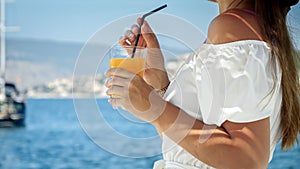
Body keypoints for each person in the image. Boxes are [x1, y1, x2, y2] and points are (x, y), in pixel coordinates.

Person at [105, 0, 300, 168]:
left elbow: (246, 160)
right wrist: (160, 84)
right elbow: (190, 149)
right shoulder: (251, 30)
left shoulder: (232, 27)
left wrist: (153, 107)